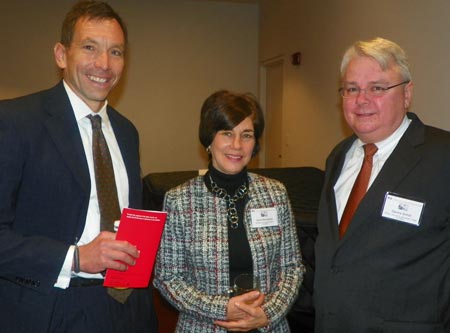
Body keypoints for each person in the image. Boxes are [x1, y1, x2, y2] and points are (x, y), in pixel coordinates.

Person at [0, 1, 157, 332]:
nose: (104, 64)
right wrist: (76, 257)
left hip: (127, 307)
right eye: (90, 48)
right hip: (50, 309)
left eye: (116, 52)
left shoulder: (127, 132)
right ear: (61, 55)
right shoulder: (15, 121)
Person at [314, 37, 450, 332]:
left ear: (407, 93)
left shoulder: (443, 157)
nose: (361, 100)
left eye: (377, 88)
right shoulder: (338, 156)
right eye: (352, 89)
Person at [153, 90, 304, 332]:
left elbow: (291, 267)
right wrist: (223, 308)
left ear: (255, 143)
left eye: (247, 135)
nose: (237, 145)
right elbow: (168, 278)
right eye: (227, 133)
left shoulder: (275, 193)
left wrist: (267, 313)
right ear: (208, 139)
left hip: (267, 326)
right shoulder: (180, 200)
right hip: (204, 326)